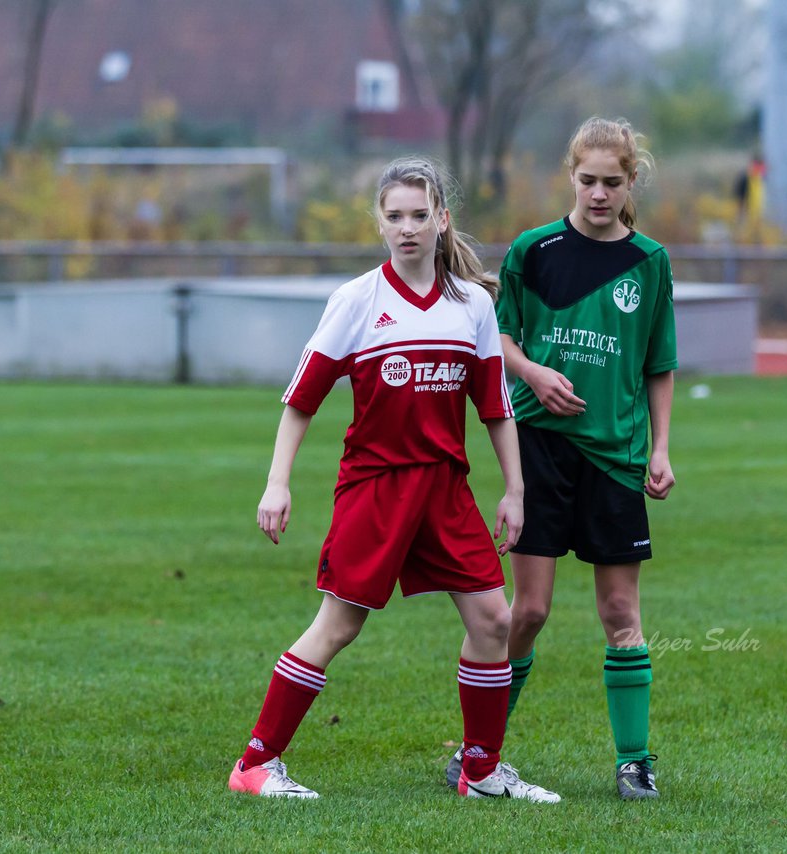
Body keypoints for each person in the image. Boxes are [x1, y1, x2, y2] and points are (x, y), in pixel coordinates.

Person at [228, 157, 560, 803]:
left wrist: (515, 490)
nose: (407, 228)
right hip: (376, 487)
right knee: (338, 627)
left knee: (494, 619)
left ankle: (481, 770)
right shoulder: (357, 301)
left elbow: (494, 406)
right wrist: (278, 482)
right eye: (393, 216)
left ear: (442, 219)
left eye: (418, 215)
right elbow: (301, 399)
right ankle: (255, 765)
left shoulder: (472, 306)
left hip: (446, 490)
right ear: (379, 224)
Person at [444, 116, 676, 801]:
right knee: (529, 611)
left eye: (612, 182)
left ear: (631, 181)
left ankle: (635, 763)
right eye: (587, 180)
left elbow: (659, 363)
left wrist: (661, 448)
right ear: (570, 177)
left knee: (619, 613)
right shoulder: (533, 250)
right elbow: (500, 339)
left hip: (614, 456)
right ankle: (477, 754)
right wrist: (535, 375)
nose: (599, 193)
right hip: (539, 448)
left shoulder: (651, 262)